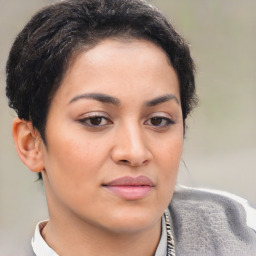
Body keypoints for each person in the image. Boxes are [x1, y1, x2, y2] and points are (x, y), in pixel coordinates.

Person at [5, 0, 256, 255]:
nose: (135, 152)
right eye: (96, 120)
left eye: (158, 120)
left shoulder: (243, 236)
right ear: (31, 144)